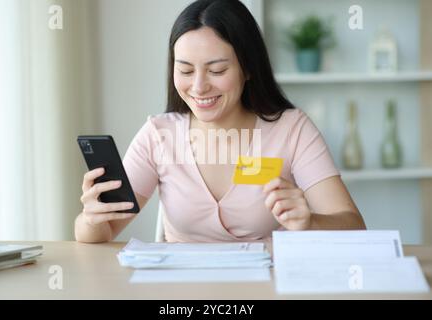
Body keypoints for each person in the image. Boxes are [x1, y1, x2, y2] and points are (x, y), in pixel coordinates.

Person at [75, 0, 366, 243]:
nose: (199, 87)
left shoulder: (291, 129)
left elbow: (353, 226)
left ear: (248, 68)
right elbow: (104, 233)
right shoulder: (158, 135)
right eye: (186, 71)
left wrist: (310, 223)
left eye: (216, 70)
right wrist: (91, 219)